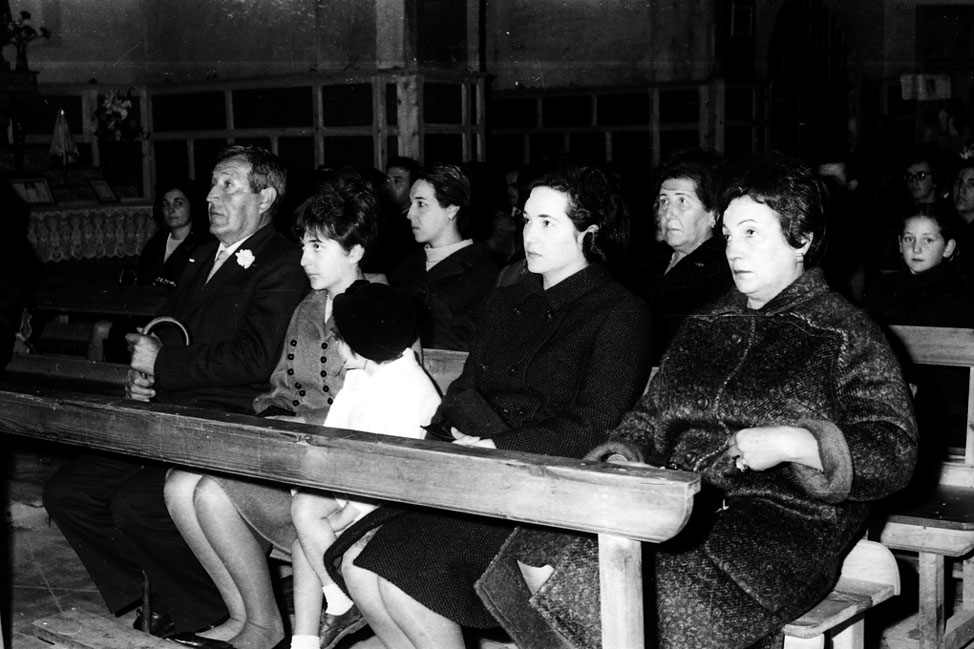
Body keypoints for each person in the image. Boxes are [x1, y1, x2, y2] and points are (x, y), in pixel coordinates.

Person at [476, 152, 918, 649]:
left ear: (802, 240)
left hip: (780, 528)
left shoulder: (846, 334)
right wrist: (626, 458)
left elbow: (894, 451)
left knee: (594, 578)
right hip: (678, 499)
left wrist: (799, 442)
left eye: (752, 232)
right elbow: (649, 417)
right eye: (729, 234)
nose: (734, 250)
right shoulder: (707, 323)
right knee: (537, 549)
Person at [328, 161, 654, 649]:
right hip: (475, 470)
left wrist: (497, 442)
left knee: (401, 574)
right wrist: (473, 440)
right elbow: (462, 388)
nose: (530, 234)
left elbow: (594, 424)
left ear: (591, 231)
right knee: (359, 565)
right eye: (526, 219)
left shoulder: (619, 312)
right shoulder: (508, 298)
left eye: (549, 223)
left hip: (547, 490)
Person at [42, 146, 308, 639]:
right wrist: (144, 373)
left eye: (227, 185)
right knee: (68, 493)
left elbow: (254, 359)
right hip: (170, 411)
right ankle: (171, 594)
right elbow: (171, 329)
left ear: (266, 196)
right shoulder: (203, 254)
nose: (210, 195)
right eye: (212, 184)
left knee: (136, 504)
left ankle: (214, 612)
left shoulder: (283, 261)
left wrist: (163, 364)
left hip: (223, 416)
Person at [163, 169, 388, 649]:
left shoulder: (381, 308)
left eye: (316, 247)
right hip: (293, 458)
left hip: (346, 480)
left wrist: (297, 425)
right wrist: (270, 417)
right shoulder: (308, 307)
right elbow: (279, 384)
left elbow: (381, 412)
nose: (302, 258)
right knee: (184, 485)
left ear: (355, 251)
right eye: (303, 245)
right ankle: (253, 619)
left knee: (207, 490)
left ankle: (266, 627)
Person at [288, 280, 441, 649]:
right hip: (357, 483)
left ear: (363, 344)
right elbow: (334, 437)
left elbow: (392, 471)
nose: (335, 346)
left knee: (307, 531)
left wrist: (345, 514)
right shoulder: (363, 375)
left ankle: (339, 601)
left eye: (339, 340)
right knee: (304, 515)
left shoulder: (407, 390)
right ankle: (308, 637)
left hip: (395, 501)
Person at [865, 206, 974, 457]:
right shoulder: (883, 289)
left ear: (947, 248)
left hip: (943, 407)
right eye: (909, 239)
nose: (916, 248)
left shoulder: (961, 297)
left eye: (928, 240)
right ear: (900, 244)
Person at [622, 148, 732, 360]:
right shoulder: (650, 259)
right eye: (664, 201)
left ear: (714, 215)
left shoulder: (722, 273)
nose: (668, 213)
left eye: (682, 201)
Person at [391, 163, 498, 351]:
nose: (410, 214)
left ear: (451, 210)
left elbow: (462, 347)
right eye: (411, 203)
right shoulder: (405, 267)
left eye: (421, 204)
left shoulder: (484, 274)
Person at [137, 178, 213, 288]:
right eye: (166, 204)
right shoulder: (154, 245)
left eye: (178, 203)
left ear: (191, 205)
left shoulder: (203, 246)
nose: (171, 209)